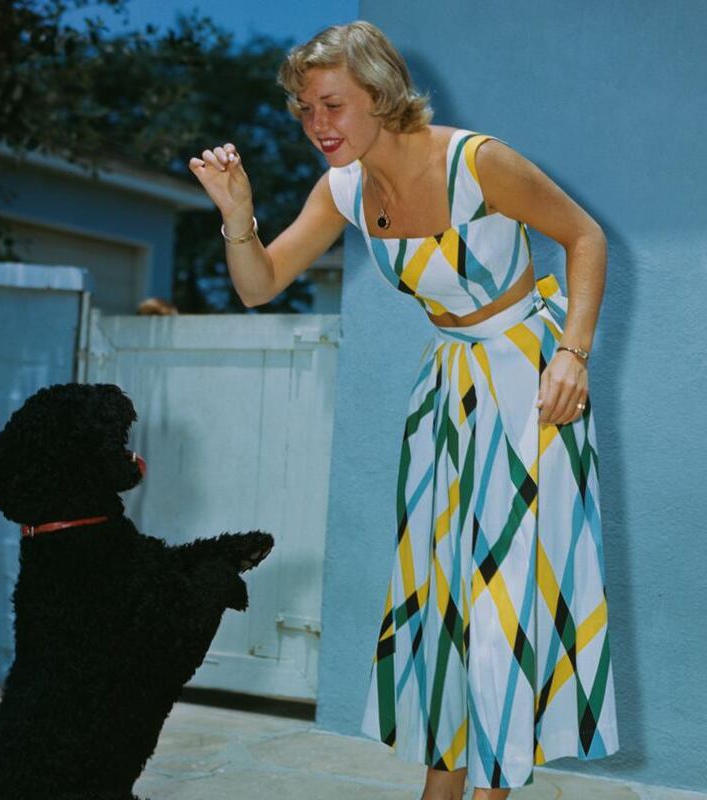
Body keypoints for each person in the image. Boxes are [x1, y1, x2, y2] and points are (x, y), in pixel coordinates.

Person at [188, 20, 619, 800]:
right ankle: (442, 786)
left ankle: (489, 788)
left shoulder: (477, 162)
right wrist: (236, 213)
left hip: (530, 384)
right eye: (303, 109)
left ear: (381, 95)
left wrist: (573, 353)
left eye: (331, 105)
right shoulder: (344, 189)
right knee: (445, 597)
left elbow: (585, 237)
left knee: (504, 597)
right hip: (447, 396)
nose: (316, 125)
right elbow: (259, 283)